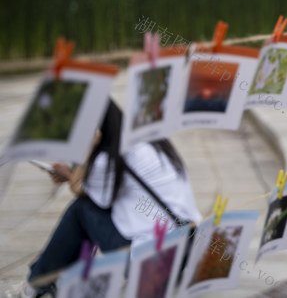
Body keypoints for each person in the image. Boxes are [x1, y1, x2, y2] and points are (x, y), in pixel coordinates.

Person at [26, 101, 200, 294]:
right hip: (184, 252)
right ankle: (57, 278)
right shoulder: (151, 142)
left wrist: (88, 151)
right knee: (96, 206)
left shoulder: (108, 161)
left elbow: (79, 190)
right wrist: (70, 174)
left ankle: (38, 282)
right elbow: (95, 189)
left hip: (148, 267)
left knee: (80, 210)